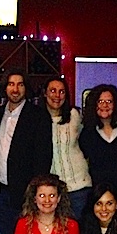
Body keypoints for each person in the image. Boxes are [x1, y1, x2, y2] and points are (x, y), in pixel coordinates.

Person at [0, 69, 53, 234]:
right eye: (11, 84)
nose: (15, 89)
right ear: (5, 88)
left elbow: (44, 157)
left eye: (20, 84)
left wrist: (34, 191)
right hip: (0, 190)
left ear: (25, 88)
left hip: (25, 192)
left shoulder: (38, 115)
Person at [40, 76, 92, 219]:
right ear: (45, 93)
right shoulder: (36, 119)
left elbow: (87, 139)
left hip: (79, 185)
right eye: (53, 91)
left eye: (61, 92)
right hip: (53, 189)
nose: (57, 95)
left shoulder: (74, 115)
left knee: (81, 232)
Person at [79, 84, 117, 205]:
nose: (105, 105)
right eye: (100, 101)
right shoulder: (87, 133)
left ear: (116, 105)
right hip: (100, 199)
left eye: (109, 101)